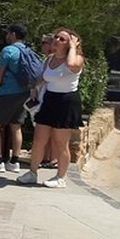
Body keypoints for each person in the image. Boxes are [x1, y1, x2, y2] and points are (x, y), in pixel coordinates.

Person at [17, 28, 85, 188]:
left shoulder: (77, 59)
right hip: (50, 99)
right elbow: (44, 76)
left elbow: (70, 65)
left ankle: (60, 177)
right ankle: (32, 173)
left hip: (67, 101)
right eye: (56, 37)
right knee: (39, 139)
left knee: (60, 142)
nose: (57, 40)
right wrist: (35, 87)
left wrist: (74, 47)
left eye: (62, 39)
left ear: (70, 43)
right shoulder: (49, 59)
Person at [0, 24, 29, 173]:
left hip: (8, 93)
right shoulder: (27, 51)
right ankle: (14, 162)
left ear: (13, 34)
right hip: (24, 92)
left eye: (8, 33)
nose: (6, 36)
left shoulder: (8, 50)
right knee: (16, 126)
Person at [38, 34, 58, 168]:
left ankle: (50, 158)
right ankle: (47, 157)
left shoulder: (51, 60)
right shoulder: (49, 59)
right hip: (47, 93)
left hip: (47, 94)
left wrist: (35, 86)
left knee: (48, 128)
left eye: (44, 42)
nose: (42, 45)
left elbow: (44, 77)